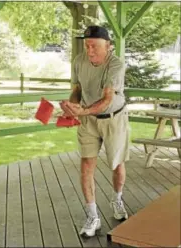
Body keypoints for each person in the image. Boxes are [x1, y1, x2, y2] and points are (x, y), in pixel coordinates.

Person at [59, 25, 130, 237]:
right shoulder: (79, 61)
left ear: (108, 46)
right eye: (87, 45)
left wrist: (83, 110)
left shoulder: (116, 65)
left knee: (117, 165)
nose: (89, 51)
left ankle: (116, 199)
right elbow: (77, 90)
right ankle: (92, 216)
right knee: (86, 165)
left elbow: (108, 99)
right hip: (88, 121)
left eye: (95, 47)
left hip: (114, 118)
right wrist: (73, 107)